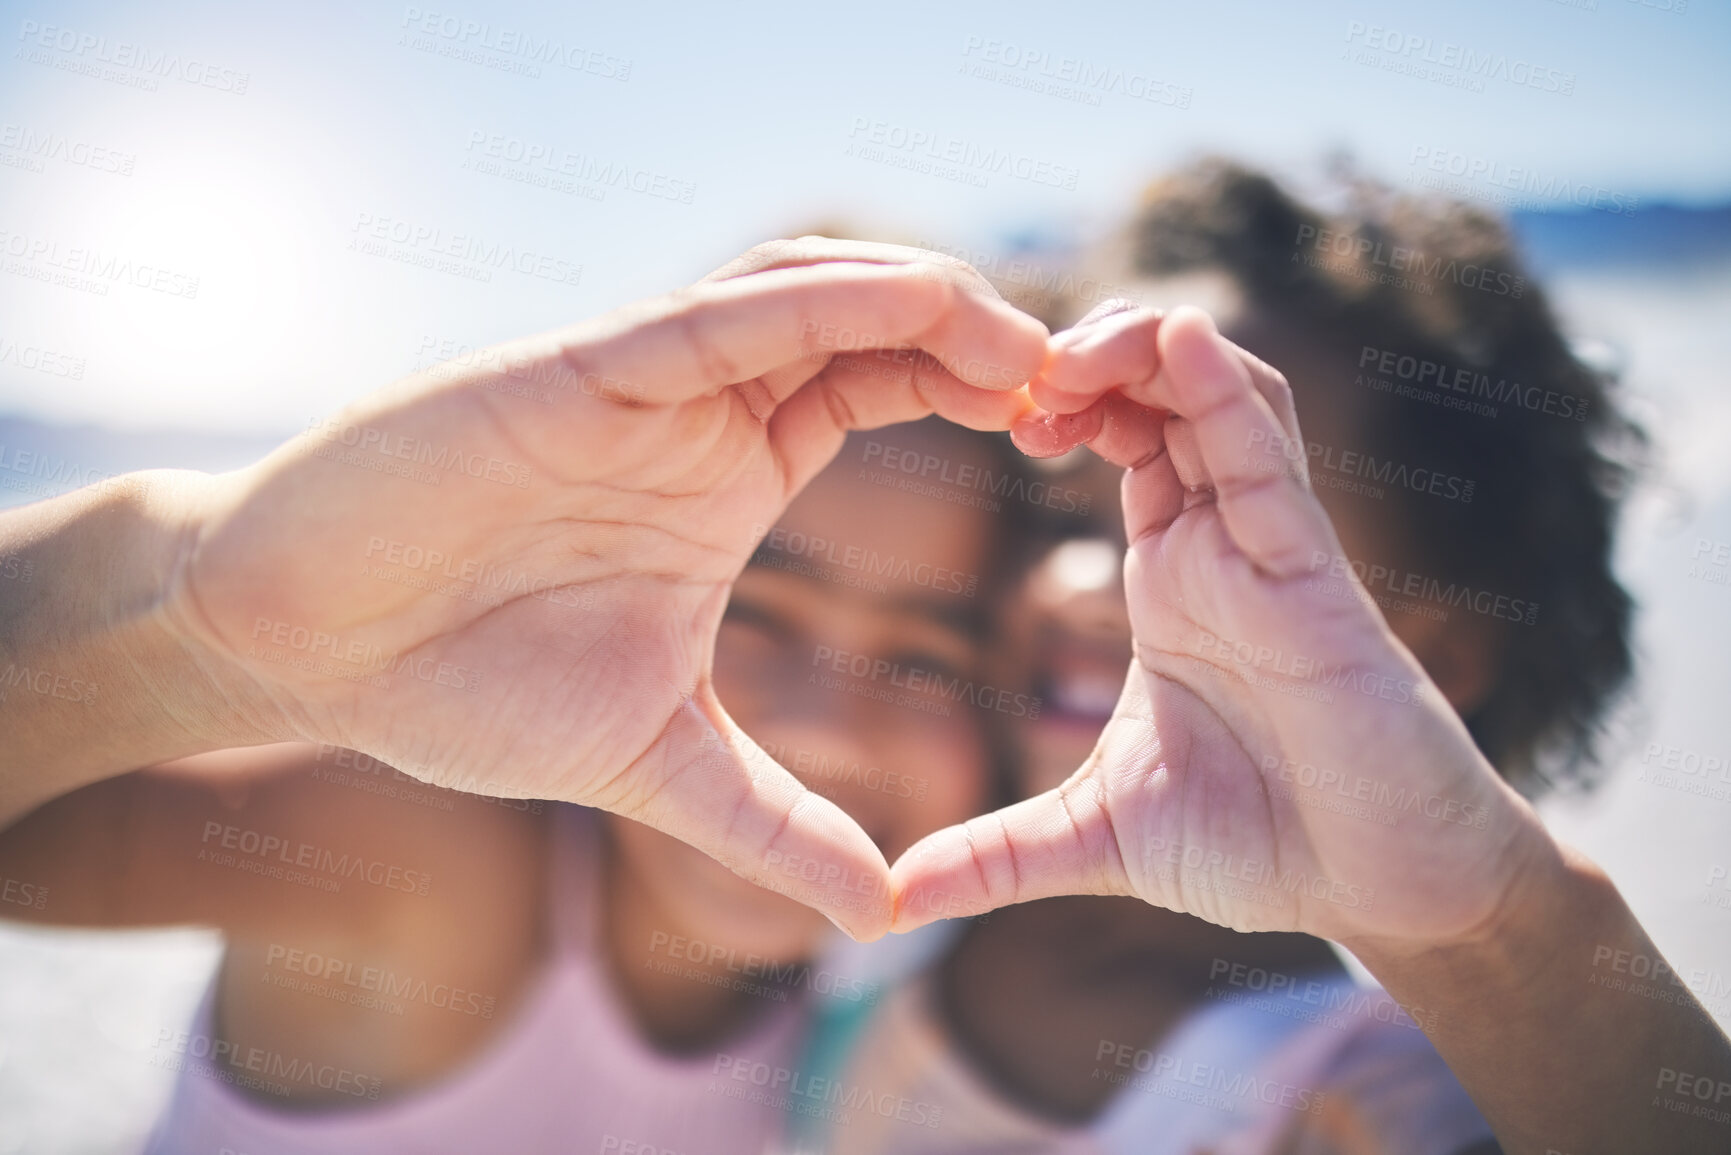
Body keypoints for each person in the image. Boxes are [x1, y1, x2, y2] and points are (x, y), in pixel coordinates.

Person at [1, 236, 1727, 1153]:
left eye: (925, 649)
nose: (1089, 588)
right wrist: (196, 611)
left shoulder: (1314, 1083)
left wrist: (1501, 937)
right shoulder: (454, 863)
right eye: (1082, 511)